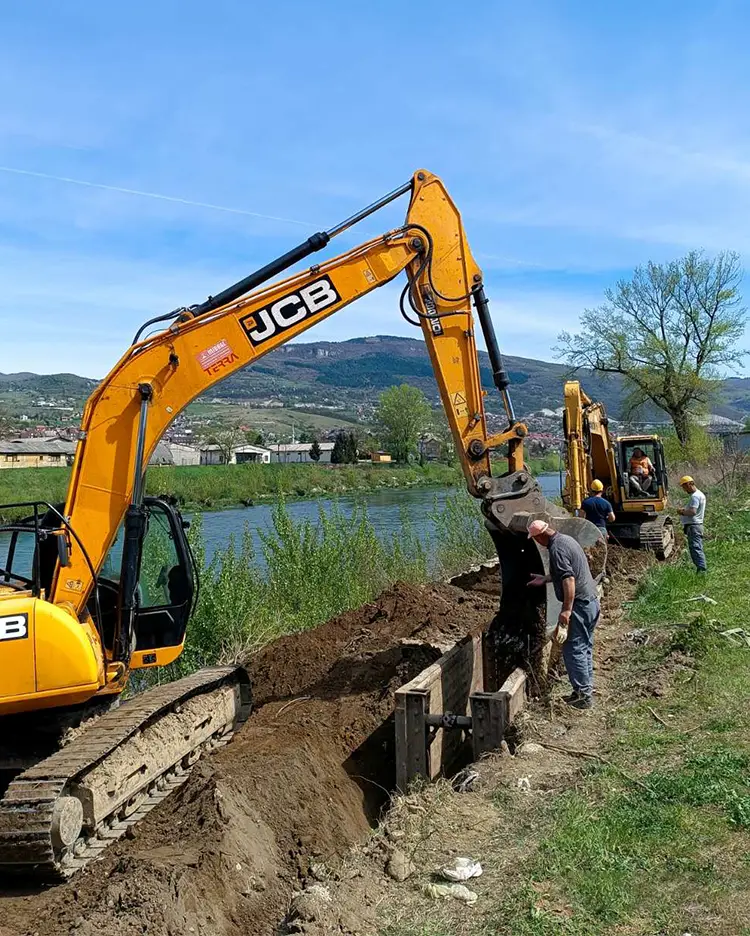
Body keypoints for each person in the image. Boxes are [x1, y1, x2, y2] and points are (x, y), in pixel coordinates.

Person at [527, 519, 600, 709]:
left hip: (579, 606)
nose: (537, 543)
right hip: (591, 601)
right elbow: (566, 571)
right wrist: (546, 579)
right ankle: (585, 690)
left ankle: (583, 696)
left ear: (541, 536)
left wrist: (567, 610)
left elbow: (568, 579)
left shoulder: (556, 549)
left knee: (573, 648)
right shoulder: (567, 540)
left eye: (535, 539)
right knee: (585, 645)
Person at [677, 475, 707, 572]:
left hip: (694, 526)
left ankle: (702, 571)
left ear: (690, 484)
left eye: (684, 487)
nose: (684, 490)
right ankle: (701, 569)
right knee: (697, 547)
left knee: (695, 548)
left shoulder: (695, 497)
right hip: (696, 526)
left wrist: (682, 511)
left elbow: (693, 512)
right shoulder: (700, 494)